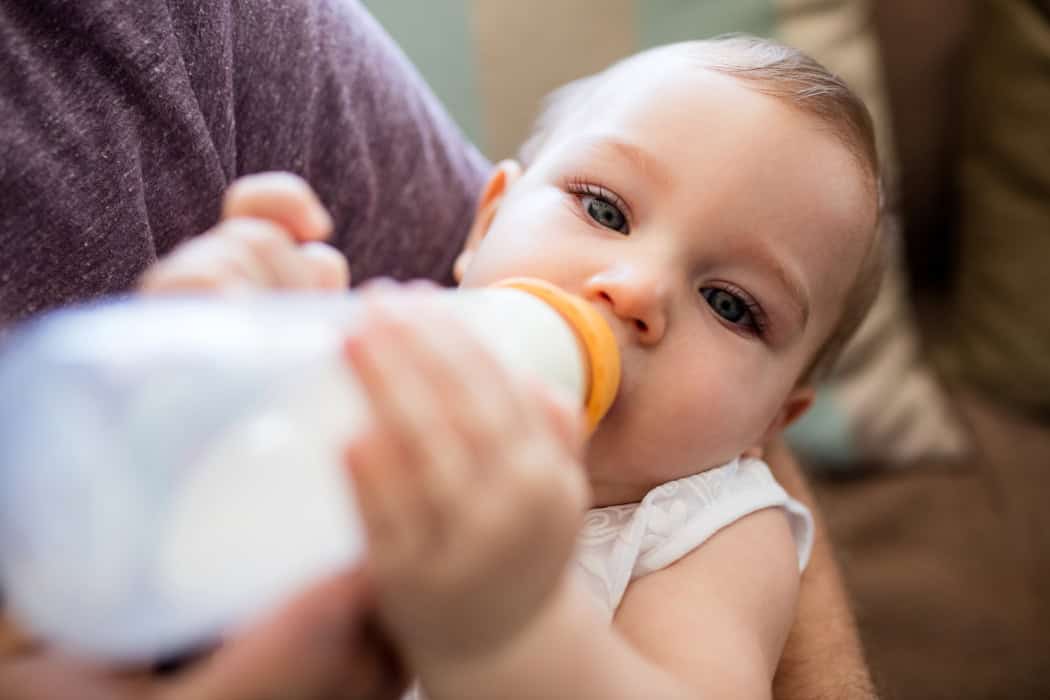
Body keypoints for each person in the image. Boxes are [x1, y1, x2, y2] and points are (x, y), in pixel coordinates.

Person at [139, 36, 883, 699]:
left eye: (728, 303)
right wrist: (211, 371)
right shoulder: (387, 359)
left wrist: (511, 631)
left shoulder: (714, 532)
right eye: (605, 211)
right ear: (487, 221)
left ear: (771, 420)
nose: (636, 290)